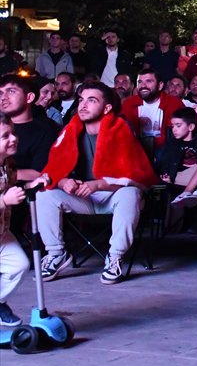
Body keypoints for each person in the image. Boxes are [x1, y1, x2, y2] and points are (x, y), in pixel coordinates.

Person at [34, 83, 158, 284]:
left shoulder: (120, 129)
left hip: (112, 195)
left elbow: (137, 178)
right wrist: (64, 181)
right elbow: (53, 169)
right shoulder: (71, 129)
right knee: (45, 195)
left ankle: (115, 257)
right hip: (83, 196)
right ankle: (56, 254)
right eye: (81, 100)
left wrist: (99, 184)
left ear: (107, 108)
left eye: (91, 101)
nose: (83, 105)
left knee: (130, 194)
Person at [0, 113, 31, 327]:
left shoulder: (8, 164)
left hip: (2, 232)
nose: (13, 139)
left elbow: (11, 188)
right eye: (5, 136)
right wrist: (3, 201)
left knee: (19, 264)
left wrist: (31, 185)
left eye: (13, 133)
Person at [119, 67, 184, 154]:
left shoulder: (174, 104)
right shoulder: (129, 103)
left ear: (160, 85)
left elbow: (178, 136)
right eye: (140, 82)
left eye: (148, 81)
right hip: (136, 150)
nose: (143, 86)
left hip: (166, 151)